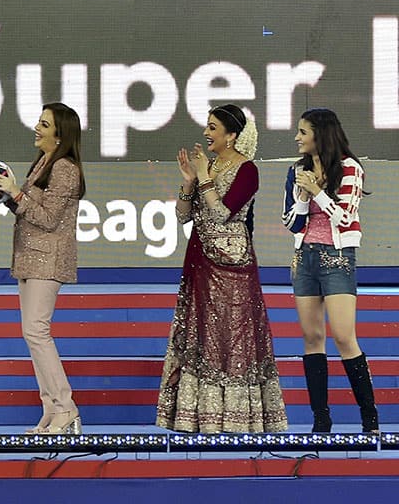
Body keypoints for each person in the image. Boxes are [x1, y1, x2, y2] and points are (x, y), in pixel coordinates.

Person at [156, 104, 288, 433]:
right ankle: (197, 417)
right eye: (207, 126)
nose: (206, 133)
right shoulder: (210, 166)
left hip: (233, 269)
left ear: (231, 136)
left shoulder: (248, 170)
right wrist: (189, 181)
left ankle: (237, 419)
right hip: (201, 263)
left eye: (213, 128)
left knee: (233, 338)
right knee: (201, 335)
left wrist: (203, 177)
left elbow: (221, 214)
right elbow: (184, 216)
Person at [0, 103, 84, 435]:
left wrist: (16, 192)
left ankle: (66, 407)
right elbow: (28, 209)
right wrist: (6, 192)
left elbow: (47, 218)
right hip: (29, 258)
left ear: (60, 135)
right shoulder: (44, 163)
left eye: (44, 124)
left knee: (37, 332)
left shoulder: (65, 168)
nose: (37, 127)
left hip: (48, 258)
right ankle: (50, 408)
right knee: (32, 333)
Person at [282, 108, 378, 433]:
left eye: (302, 132)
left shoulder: (350, 168)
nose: (297, 138)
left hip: (337, 257)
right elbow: (291, 222)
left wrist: (317, 192)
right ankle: (321, 420)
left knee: (343, 336)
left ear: (319, 134)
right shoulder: (298, 170)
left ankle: (370, 417)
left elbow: (344, 217)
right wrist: (300, 197)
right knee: (312, 337)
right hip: (305, 257)